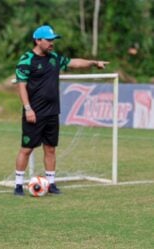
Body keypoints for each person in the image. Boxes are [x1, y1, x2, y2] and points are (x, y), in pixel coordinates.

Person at [13, 25, 109, 196]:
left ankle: (51, 183)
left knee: (50, 149)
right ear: (37, 40)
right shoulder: (26, 60)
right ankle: (18, 185)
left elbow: (75, 62)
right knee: (26, 149)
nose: (52, 43)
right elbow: (21, 87)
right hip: (34, 113)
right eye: (49, 40)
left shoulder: (55, 58)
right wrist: (28, 108)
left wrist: (94, 63)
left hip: (52, 113)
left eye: (53, 40)